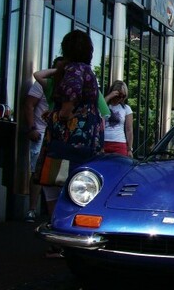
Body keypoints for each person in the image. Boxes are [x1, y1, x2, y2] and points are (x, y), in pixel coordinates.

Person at [38, 31, 104, 221]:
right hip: (88, 136)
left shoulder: (74, 70)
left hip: (69, 138)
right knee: (79, 181)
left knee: (54, 181)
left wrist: (56, 114)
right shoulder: (87, 70)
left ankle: (58, 230)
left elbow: (69, 104)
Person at [23, 57, 63, 222]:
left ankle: (51, 212)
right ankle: (32, 209)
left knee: (56, 174)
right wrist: (32, 128)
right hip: (40, 132)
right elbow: (29, 105)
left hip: (57, 136)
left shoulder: (66, 87)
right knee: (37, 172)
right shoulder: (44, 84)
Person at [103, 80, 133, 156]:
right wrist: (109, 97)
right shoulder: (105, 105)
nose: (121, 98)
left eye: (123, 96)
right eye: (119, 95)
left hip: (119, 142)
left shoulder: (126, 108)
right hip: (104, 142)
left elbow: (129, 130)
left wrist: (129, 149)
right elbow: (97, 108)